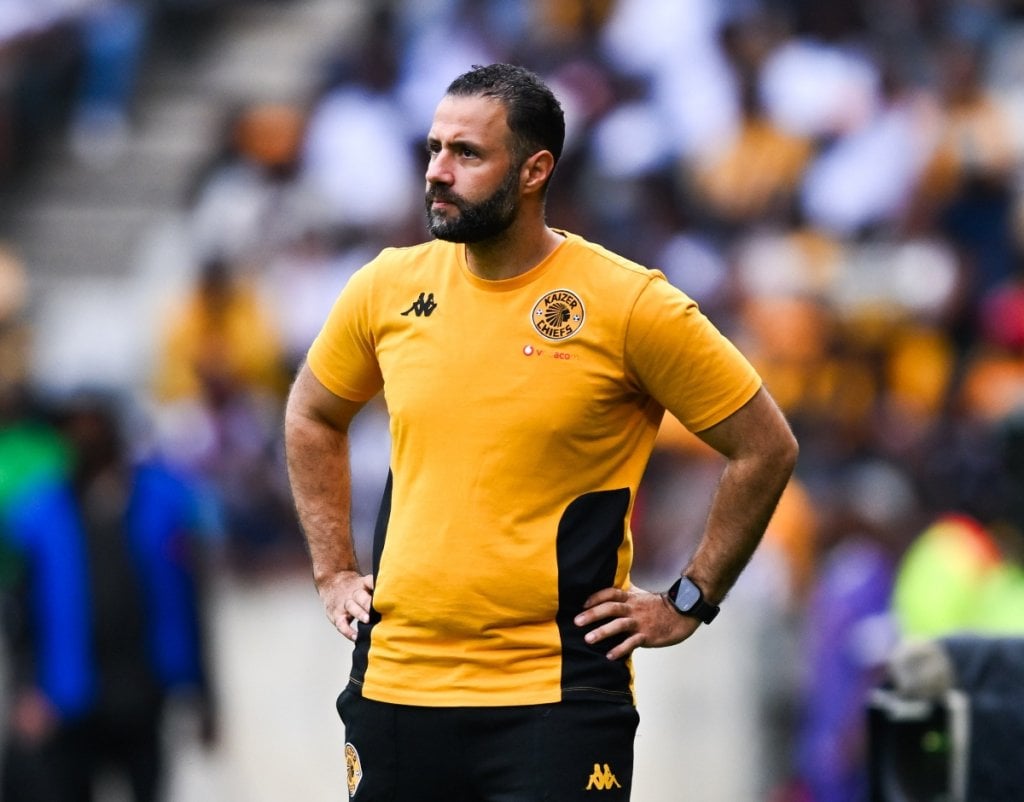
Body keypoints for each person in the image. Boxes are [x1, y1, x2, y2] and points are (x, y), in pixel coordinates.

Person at [284, 63, 798, 801]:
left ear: (534, 170)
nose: (437, 172)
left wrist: (690, 598)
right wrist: (334, 569)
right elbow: (312, 414)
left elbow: (765, 446)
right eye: (433, 150)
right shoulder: (387, 287)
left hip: (556, 697)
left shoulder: (630, 305)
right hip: (398, 686)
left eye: (466, 154)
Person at [1, 392, 217, 802]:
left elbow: (190, 607)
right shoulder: (40, 513)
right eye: (74, 427)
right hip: (71, 697)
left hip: (144, 690)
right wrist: (26, 691)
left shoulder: (161, 504)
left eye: (93, 425)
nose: (84, 437)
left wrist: (205, 697)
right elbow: (22, 619)